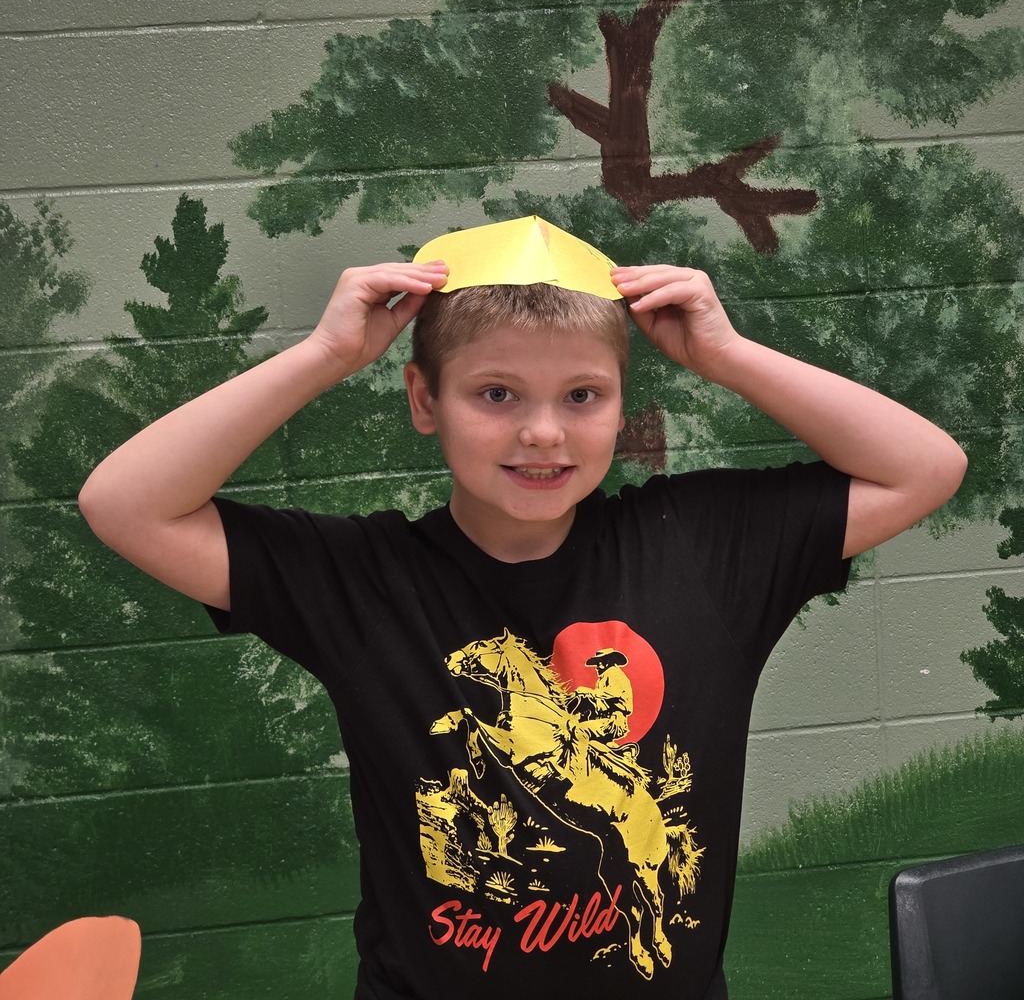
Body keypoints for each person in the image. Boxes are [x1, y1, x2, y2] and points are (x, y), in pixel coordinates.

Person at [78, 216, 966, 1000]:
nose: (542, 432)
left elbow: (926, 467)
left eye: (583, 396)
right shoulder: (364, 581)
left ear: (622, 408)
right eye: (496, 394)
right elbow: (125, 505)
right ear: (426, 402)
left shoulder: (701, 548)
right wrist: (326, 356)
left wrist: (725, 355)